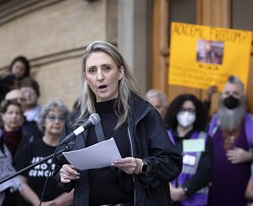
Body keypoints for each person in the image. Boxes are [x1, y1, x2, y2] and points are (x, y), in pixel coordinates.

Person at [54, 40, 183, 205]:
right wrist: (64, 175)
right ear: (86, 77)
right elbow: (60, 168)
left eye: (106, 68)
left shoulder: (144, 113)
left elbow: (172, 164)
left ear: (120, 72)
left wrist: (141, 166)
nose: (100, 77)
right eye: (92, 71)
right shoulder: (75, 121)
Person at [207, 75, 253, 206]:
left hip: (242, 190)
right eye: (227, 93)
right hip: (215, 189)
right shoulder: (213, 122)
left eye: (235, 93)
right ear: (221, 97)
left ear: (242, 97)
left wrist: (251, 156)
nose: (230, 96)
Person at [15, 100, 74, 206]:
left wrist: (54, 204)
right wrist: (37, 203)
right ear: (43, 121)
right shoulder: (30, 147)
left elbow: (79, 185)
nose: (57, 121)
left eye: (61, 118)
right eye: (52, 117)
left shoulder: (70, 149)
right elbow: (20, 181)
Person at [165, 94, 213, 206]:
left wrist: (183, 191)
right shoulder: (164, 136)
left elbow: (205, 172)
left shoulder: (204, 139)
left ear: (197, 114)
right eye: (182, 109)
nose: (186, 113)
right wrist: (169, 189)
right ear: (175, 111)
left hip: (192, 200)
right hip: (165, 197)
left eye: (191, 110)